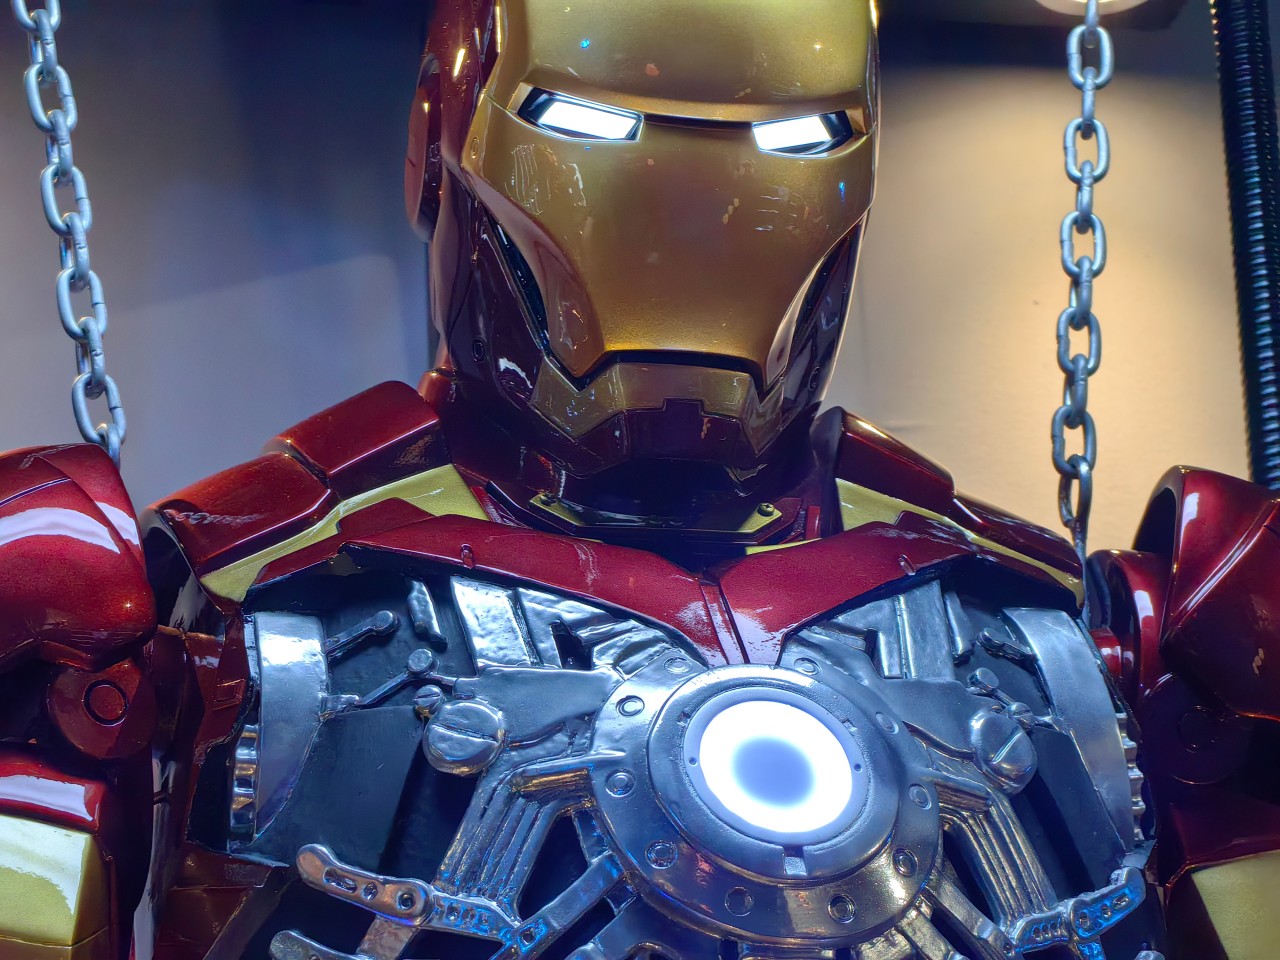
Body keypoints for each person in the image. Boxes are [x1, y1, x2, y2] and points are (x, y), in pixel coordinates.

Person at [0, 1, 1270, 957]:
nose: (700, 203)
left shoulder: (1044, 608)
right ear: (446, 135)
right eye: (588, 123)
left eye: (793, 136)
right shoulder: (227, 580)